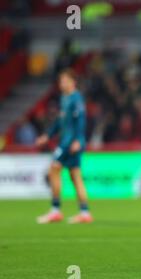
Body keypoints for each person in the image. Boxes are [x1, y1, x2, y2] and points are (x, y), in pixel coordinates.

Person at [36, 69, 93, 224]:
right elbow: (59, 122)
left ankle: (55, 211)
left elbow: (81, 121)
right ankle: (85, 212)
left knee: (54, 169)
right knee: (76, 177)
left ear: (73, 82)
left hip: (70, 143)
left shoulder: (76, 98)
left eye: (65, 81)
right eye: (61, 81)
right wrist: (47, 135)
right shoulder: (64, 98)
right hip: (67, 141)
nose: (62, 84)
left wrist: (78, 140)